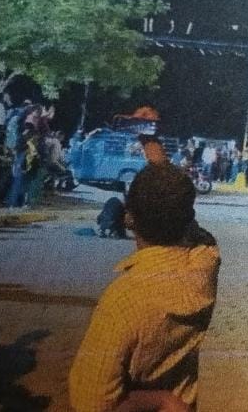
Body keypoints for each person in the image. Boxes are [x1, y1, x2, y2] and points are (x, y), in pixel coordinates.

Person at [69, 164, 220, 411]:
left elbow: (91, 403)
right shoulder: (204, 266)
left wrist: (161, 400)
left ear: (129, 219)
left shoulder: (123, 301)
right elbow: (196, 230)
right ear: (188, 216)